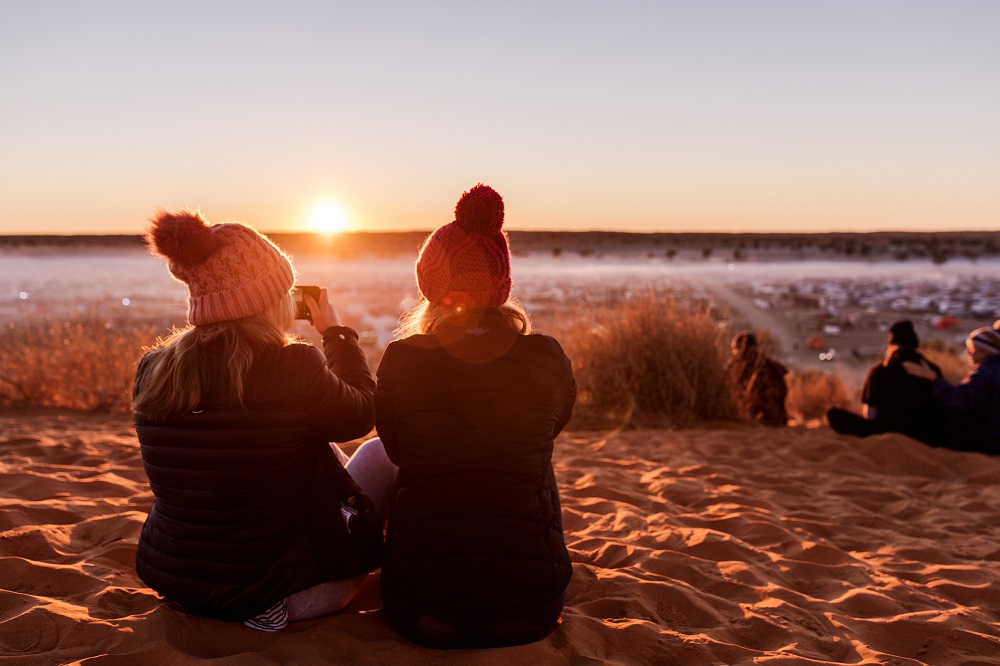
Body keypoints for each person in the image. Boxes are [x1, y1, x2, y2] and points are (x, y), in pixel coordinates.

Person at [132, 210, 396, 631]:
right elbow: (363, 414)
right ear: (268, 299)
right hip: (274, 598)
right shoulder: (293, 364)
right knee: (381, 452)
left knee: (311, 441)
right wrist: (337, 334)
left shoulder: (154, 367)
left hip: (182, 588)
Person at [374, 184, 576, 649]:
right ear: (502, 280)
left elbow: (397, 451)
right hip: (532, 610)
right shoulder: (546, 357)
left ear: (431, 285)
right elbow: (555, 424)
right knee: (533, 459)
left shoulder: (404, 358)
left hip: (418, 609)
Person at [827, 320, 948, 447]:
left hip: (887, 434)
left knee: (834, 415)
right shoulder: (932, 370)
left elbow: (870, 415)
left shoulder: (880, 371)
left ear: (891, 344)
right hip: (928, 437)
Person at [904, 326, 1000, 455]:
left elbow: (960, 399)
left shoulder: (983, 374)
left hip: (987, 442)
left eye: (971, 350)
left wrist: (934, 379)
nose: (968, 354)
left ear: (984, 352)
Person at [726, 331, 788, 426]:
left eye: (736, 349)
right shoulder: (768, 365)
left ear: (743, 349)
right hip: (778, 419)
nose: (735, 353)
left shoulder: (760, 368)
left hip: (765, 420)